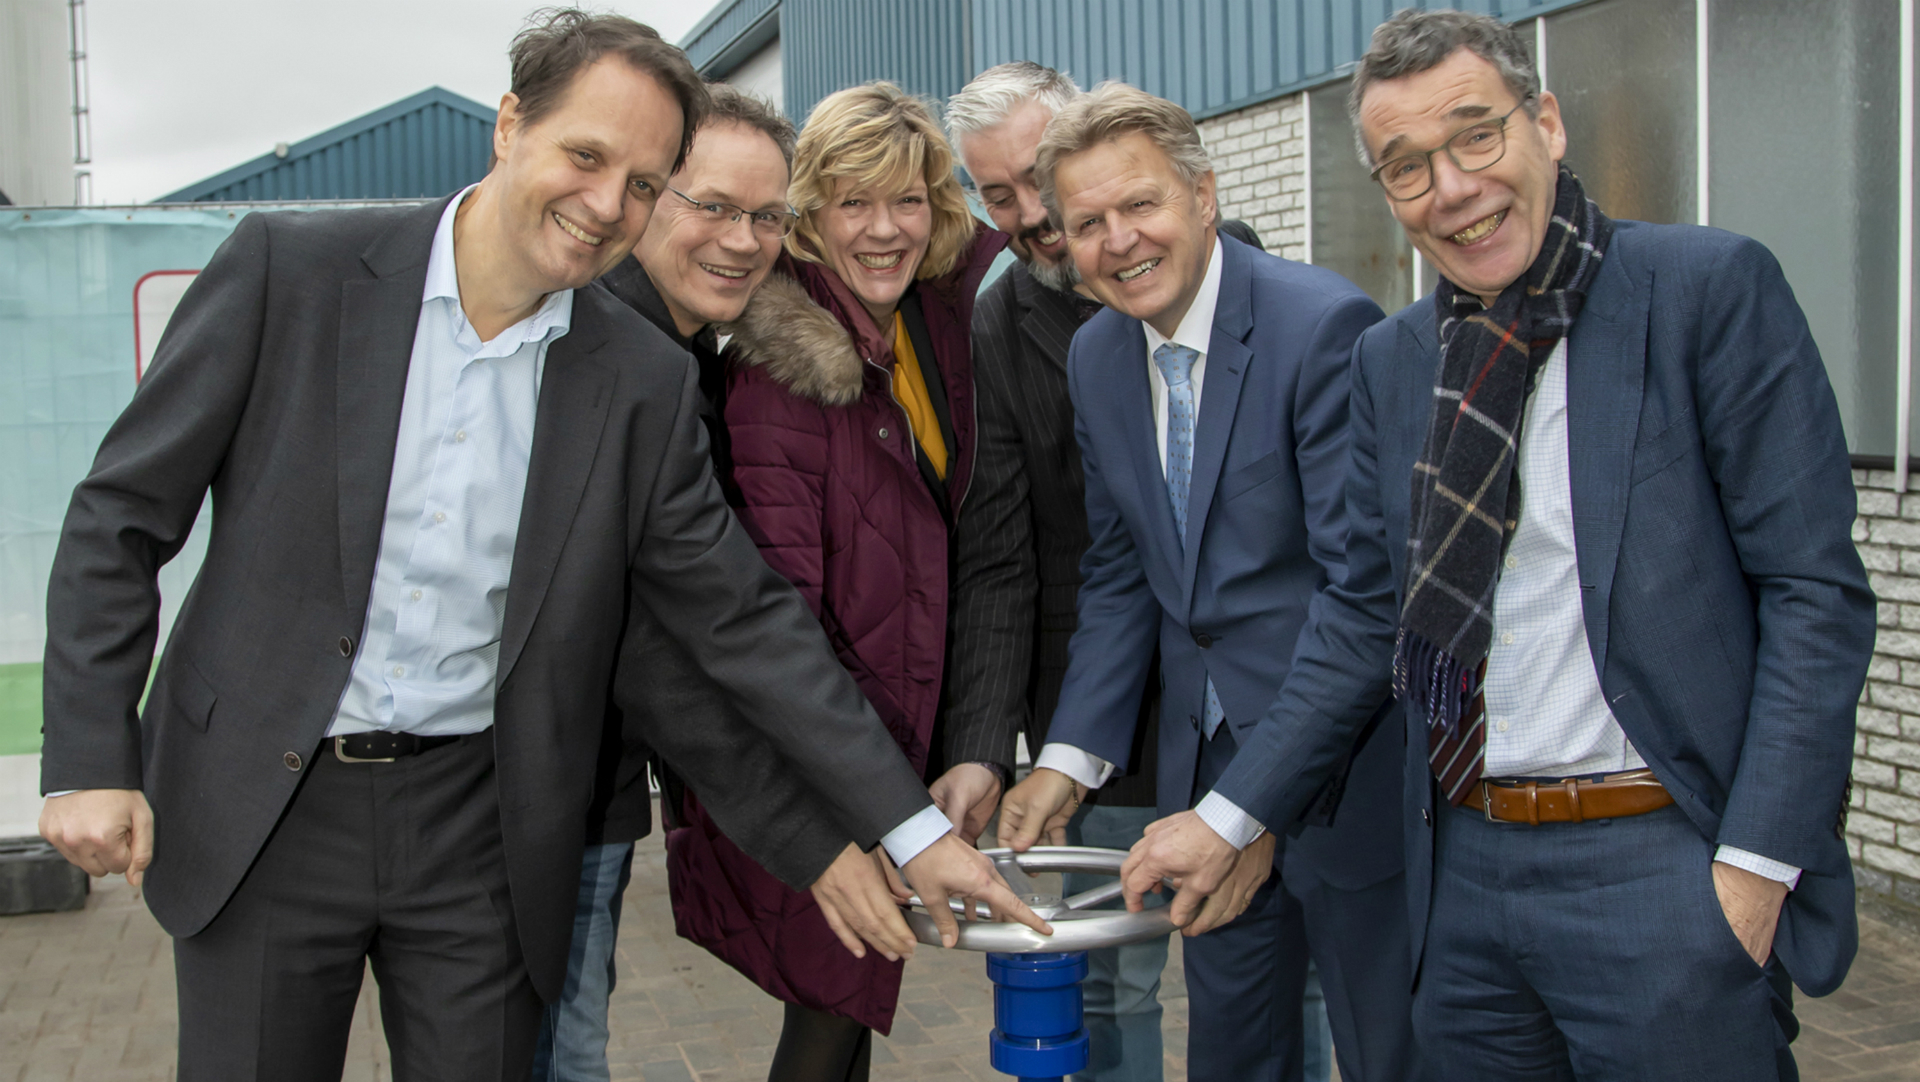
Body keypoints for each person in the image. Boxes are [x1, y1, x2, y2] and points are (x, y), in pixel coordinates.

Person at [33, 13, 1044, 1080]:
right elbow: (121, 513)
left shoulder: (638, 379)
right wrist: (93, 756)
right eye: (587, 155)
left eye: (645, 182)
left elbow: (732, 621)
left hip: (482, 823)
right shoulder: (293, 270)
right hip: (267, 806)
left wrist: (908, 826)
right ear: (511, 123)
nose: (608, 204)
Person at [1120, 10, 1874, 1080]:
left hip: (1663, 861)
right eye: (1408, 166)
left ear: (1548, 124)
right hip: (1462, 873)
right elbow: (1363, 616)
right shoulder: (1393, 361)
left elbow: (1814, 594)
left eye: (1476, 136)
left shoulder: (1702, 292)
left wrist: (1753, 868)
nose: (1453, 187)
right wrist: (1233, 812)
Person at [997, 80, 1423, 1082]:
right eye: (1088, 222)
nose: (1119, 240)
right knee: (1237, 1055)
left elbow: (1362, 600)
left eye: (1139, 204)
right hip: (1207, 782)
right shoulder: (1098, 355)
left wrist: (1248, 812)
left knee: (1390, 1052)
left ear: (1202, 195)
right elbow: (1122, 575)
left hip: (1349, 772)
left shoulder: (1324, 325)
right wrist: (1068, 758)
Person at [663, 81, 1018, 1082]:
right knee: (829, 1013)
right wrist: (863, 808)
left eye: (908, 198)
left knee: (839, 1011)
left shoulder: (920, 330)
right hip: (822, 763)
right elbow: (774, 612)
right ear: (809, 214)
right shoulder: (784, 370)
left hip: (884, 748)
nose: (884, 226)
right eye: (852, 200)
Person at [946, 61, 1287, 1082]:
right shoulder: (1003, 324)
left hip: (1258, 718)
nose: (1033, 214)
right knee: (1105, 983)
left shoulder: (1247, 285)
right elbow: (1007, 551)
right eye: (995, 195)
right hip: (1098, 716)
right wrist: (993, 745)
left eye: (1039, 179)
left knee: (1271, 974)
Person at [532, 85, 808, 1082]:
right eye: (712, 206)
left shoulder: (687, 360)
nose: (743, 240)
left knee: (568, 1042)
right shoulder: (596, 352)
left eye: (766, 216)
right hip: (523, 795)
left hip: (594, 791)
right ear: (646, 200)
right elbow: (694, 624)